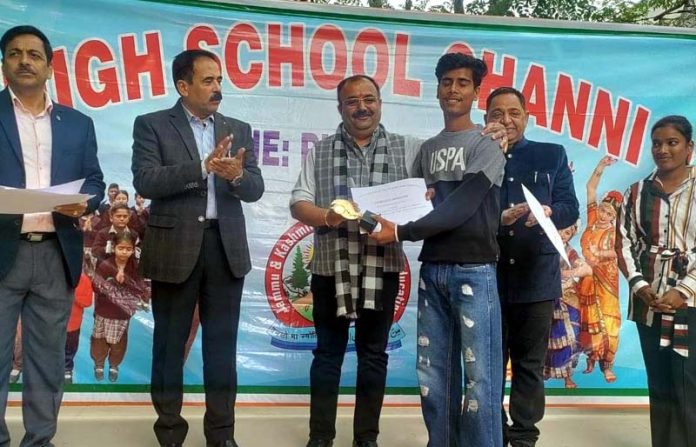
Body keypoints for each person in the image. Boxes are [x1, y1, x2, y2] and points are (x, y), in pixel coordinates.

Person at [370, 53, 506, 447]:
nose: (453, 89)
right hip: (434, 270)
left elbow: (463, 207)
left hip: (475, 270)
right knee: (433, 376)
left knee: (480, 380)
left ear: (476, 92)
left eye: (463, 83)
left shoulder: (488, 143)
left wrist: (401, 231)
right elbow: (418, 202)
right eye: (447, 82)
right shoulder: (427, 150)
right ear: (437, 89)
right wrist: (411, 207)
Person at [131, 48, 264, 447]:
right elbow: (146, 181)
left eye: (220, 80)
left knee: (222, 349)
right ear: (182, 85)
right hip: (174, 248)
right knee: (170, 347)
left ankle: (221, 436)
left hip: (225, 249)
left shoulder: (238, 128)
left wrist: (238, 174)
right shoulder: (152, 125)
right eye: (208, 80)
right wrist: (201, 168)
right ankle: (170, 434)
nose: (217, 88)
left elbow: (255, 189)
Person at [290, 73, 421, 447]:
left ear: (380, 103)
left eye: (369, 99)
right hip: (331, 269)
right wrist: (330, 217)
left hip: (383, 268)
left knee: (373, 356)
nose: (361, 107)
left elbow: (427, 196)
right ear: (340, 108)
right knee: (327, 355)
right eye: (352, 101)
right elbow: (299, 203)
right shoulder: (321, 150)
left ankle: (366, 439)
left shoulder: (409, 149)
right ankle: (320, 438)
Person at [0, 25, 104, 447]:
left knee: (46, 361)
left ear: (49, 65)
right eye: (15, 53)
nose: (25, 60)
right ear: (4, 62)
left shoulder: (77, 124)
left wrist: (87, 202)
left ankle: (39, 441)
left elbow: (95, 180)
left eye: (34, 54)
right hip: (3, 252)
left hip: (56, 255)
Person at [487, 87, 579, 446]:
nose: (506, 120)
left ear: (526, 116)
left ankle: (524, 437)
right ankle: (491, 431)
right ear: (486, 120)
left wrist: (549, 212)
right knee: (489, 367)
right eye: (497, 114)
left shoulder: (551, 155)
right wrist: (498, 217)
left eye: (514, 112)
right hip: (486, 277)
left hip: (537, 279)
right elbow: (462, 211)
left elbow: (571, 207)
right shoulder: (477, 157)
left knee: (528, 365)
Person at [616, 115, 696, 447]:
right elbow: (623, 241)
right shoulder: (636, 192)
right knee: (660, 384)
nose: (663, 150)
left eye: (672, 142)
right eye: (657, 143)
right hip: (649, 304)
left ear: (689, 148)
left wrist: (684, 289)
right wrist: (640, 286)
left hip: (689, 306)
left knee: (688, 385)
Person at [577, 156, 622, 383]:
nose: (604, 215)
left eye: (609, 214)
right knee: (587, 317)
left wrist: (599, 255)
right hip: (587, 276)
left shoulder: (616, 232)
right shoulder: (592, 218)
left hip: (607, 280)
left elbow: (619, 252)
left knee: (609, 321)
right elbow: (590, 187)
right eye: (604, 210)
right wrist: (601, 167)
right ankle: (590, 358)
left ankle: (607, 365)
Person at [90, 231, 148, 383]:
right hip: (104, 309)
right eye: (121, 248)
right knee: (99, 338)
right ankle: (99, 364)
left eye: (128, 249)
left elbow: (140, 288)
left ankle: (114, 365)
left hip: (122, 312)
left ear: (133, 249)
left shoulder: (135, 267)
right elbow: (96, 286)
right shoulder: (105, 264)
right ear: (114, 247)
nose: (124, 252)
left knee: (119, 341)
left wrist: (127, 284)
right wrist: (112, 280)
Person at [544, 223, 591, 389]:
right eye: (562, 231)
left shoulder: (570, 252)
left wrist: (567, 273)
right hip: (547, 295)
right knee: (547, 337)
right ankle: (546, 371)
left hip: (568, 297)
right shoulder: (545, 246)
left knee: (571, 338)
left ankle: (568, 377)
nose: (564, 235)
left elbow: (586, 270)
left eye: (568, 232)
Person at [65, 270, 94, 384]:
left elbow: (87, 302)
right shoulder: (53, 274)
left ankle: (67, 369)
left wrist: (73, 293)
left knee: (70, 348)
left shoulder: (83, 279)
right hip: (53, 322)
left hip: (73, 324)